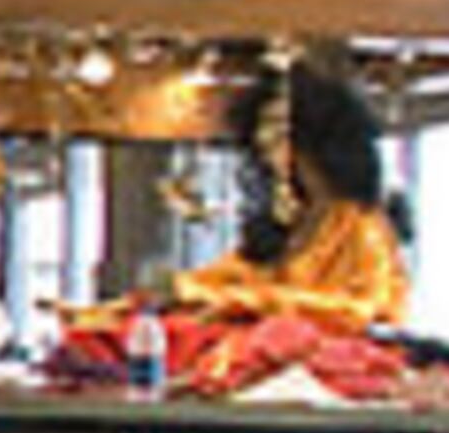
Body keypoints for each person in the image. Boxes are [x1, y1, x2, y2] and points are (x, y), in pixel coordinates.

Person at [172, 64, 409, 330]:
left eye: (277, 137)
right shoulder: (291, 218)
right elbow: (232, 275)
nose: (266, 150)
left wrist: (252, 301)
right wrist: (181, 290)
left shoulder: (362, 226)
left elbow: (365, 308)